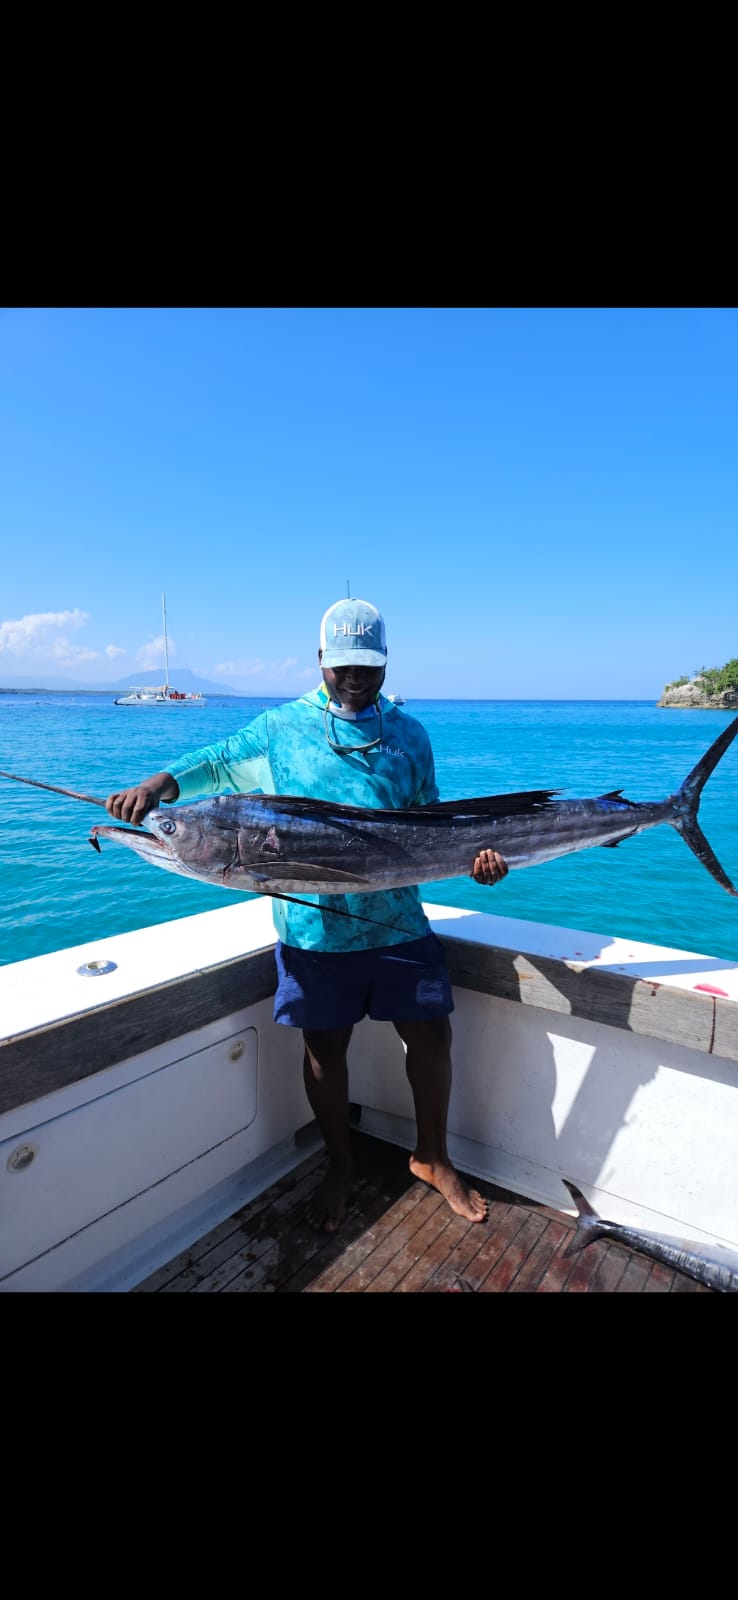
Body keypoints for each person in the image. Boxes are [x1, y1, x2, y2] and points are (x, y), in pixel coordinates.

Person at [105, 598, 508, 1233]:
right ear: (322, 659)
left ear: (383, 662)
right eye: (343, 665)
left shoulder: (409, 733)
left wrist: (475, 861)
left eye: (367, 667)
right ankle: (340, 1164)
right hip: (313, 933)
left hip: (399, 919)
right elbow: (215, 762)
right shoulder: (279, 728)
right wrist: (159, 784)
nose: (355, 678)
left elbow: (432, 821)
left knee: (431, 1038)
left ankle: (432, 1157)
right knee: (325, 1053)